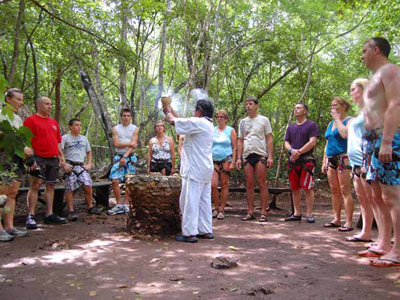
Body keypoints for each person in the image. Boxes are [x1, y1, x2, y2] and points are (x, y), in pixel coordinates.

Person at [361, 37, 400, 267]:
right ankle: (384, 243)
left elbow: (396, 104)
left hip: (389, 139)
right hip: (372, 142)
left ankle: (398, 250)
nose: (362, 55)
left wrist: (387, 141)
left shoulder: (390, 70)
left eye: (365, 50)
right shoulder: (373, 78)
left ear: (376, 50)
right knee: (377, 196)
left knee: (392, 196)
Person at [164, 99, 214, 243]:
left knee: (190, 200)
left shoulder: (199, 123)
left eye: (195, 109)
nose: (193, 112)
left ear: (199, 111)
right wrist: (170, 108)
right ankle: (205, 230)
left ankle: (189, 233)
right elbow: (182, 121)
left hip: (195, 168)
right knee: (204, 200)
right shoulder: (207, 124)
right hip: (204, 168)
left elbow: (174, 121)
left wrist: (167, 111)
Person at [23, 96, 67, 229]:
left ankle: (49, 214)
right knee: (35, 185)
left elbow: (57, 141)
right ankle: (31, 215)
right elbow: (26, 140)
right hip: (38, 157)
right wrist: (29, 160)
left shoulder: (53, 122)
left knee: (51, 186)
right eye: (47, 104)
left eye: (51, 104)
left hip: (53, 158)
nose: (50, 106)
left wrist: (61, 156)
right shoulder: (30, 120)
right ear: (39, 105)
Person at [236, 96, 274, 222]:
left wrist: (270, 156)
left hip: (260, 154)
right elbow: (240, 140)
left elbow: (269, 137)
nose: (248, 106)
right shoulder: (243, 122)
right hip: (247, 154)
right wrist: (238, 158)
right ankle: (250, 211)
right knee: (249, 184)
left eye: (250, 104)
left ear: (256, 106)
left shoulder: (264, 120)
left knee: (262, 183)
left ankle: (263, 212)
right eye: (246, 104)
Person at [0, 89, 29, 241]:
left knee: (12, 193)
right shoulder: (1, 114)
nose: (21, 102)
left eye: (21, 99)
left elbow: (22, 138)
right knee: (2, 193)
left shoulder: (17, 119)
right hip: (3, 156)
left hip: (16, 158)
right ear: (8, 99)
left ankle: (9, 226)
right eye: (18, 99)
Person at [321, 97, 354, 231]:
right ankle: (336, 219)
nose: (333, 108)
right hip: (330, 159)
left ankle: (349, 222)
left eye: (336, 105)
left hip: (343, 158)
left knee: (345, 189)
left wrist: (337, 119)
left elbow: (345, 135)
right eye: (332, 105)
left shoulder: (349, 121)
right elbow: (327, 142)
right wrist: (324, 161)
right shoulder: (330, 123)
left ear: (344, 107)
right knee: (334, 190)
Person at [284, 103, 319, 223]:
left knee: (308, 187)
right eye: (294, 108)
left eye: (298, 108)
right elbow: (286, 142)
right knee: (294, 188)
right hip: (293, 162)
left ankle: (309, 214)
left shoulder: (311, 125)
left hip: (307, 161)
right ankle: (297, 213)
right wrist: (291, 150)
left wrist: (299, 152)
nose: (295, 110)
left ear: (305, 111)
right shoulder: (290, 128)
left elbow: (313, 142)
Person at [61, 118, 102, 221]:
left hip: (81, 166)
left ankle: (90, 207)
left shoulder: (84, 138)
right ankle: (71, 211)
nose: (79, 127)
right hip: (70, 165)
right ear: (70, 127)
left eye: (80, 125)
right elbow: (59, 151)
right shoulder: (65, 138)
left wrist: (89, 163)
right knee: (70, 188)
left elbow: (89, 151)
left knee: (88, 185)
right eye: (76, 125)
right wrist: (64, 163)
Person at [108, 108, 139, 215]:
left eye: (128, 116)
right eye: (124, 115)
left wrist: (125, 157)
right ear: (121, 116)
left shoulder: (134, 128)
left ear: (131, 117)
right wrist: (129, 144)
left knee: (129, 181)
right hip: (118, 156)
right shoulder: (116, 129)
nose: (126, 117)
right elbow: (116, 144)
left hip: (130, 157)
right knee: (115, 180)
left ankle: (126, 204)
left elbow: (134, 144)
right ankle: (119, 204)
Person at [211, 110, 237, 220]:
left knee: (224, 184)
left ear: (226, 119)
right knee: (213, 185)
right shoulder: (212, 130)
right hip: (213, 160)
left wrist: (233, 162)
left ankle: (222, 209)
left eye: (222, 117)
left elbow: (235, 147)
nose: (219, 118)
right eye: (217, 116)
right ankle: (215, 208)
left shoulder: (230, 130)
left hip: (226, 159)